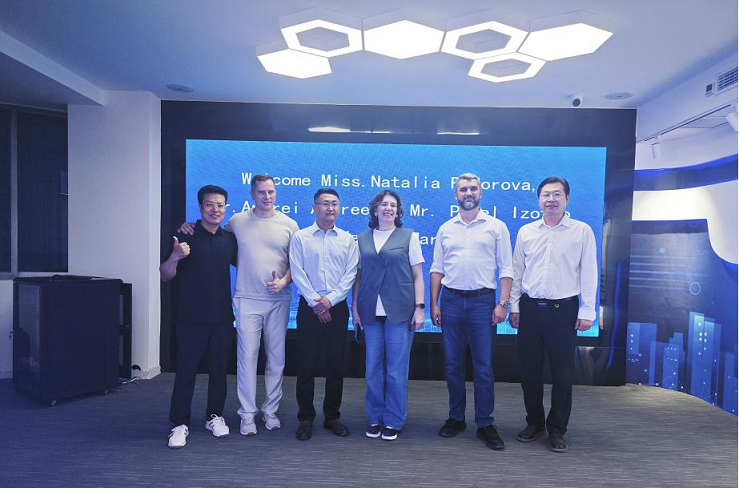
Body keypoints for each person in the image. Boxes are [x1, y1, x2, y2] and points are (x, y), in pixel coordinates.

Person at [179, 174, 298, 436]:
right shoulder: (237, 221)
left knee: (276, 359)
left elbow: (296, 263)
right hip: (246, 299)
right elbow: (212, 234)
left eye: (271, 192)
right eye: (261, 192)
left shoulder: (289, 224)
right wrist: (188, 225)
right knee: (246, 358)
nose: (267, 196)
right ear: (252, 194)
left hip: (278, 301)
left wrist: (284, 281)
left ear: (275, 194)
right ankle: (247, 414)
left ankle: (270, 411)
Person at [509, 176, 598, 453]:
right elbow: (517, 271)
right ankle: (535, 423)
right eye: (546, 195)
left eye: (557, 194)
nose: (551, 199)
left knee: (562, 375)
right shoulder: (526, 231)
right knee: (529, 372)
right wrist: (514, 306)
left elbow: (589, 272)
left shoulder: (582, 231)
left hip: (563, 311)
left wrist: (588, 309)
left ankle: (557, 429)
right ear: (539, 200)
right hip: (530, 310)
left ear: (567, 199)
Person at [429, 173, 514, 451]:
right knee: (453, 365)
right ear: (456, 195)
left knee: (484, 367)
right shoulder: (446, 228)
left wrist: (503, 303)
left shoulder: (496, 226)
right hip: (451, 301)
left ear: (480, 193)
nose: (468, 193)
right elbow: (437, 269)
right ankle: (456, 418)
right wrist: (434, 303)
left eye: (473, 189)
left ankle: (485, 423)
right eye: (463, 189)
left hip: (483, 303)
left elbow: (507, 268)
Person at [160, 185, 237, 449]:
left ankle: (214, 416)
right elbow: (165, 274)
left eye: (220, 205)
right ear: (200, 206)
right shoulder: (184, 235)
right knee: (186, 372)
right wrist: (175, 256)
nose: (215, 210)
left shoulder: (229, 239)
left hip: (222, 317)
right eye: (209, 204)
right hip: (190, 318)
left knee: (219, 372)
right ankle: (179, 423)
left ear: (225, 208)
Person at [352, 190, 425, 442]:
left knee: (395, 370)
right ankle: (375, 417)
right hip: (369, 311)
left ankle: (394, 419)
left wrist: (419, 307)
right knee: (373, 369)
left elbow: (418, 275)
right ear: (375, 209)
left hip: (400, 311)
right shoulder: (361, 239)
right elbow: (359, 277)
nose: (388, 208)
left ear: (398, 211)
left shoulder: (409, 236)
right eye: (384, 204)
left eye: (393, 205)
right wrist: (354, 308)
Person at [289, 189, 359, 440]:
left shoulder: (348, 240)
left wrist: (329, 301)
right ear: (314, 207)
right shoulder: (300, 237)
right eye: (325, 203)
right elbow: (297, 272)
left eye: (335, 204)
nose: (330, 208)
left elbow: (351, 274)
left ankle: (332, 416)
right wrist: (316, 302)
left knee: (335, 365)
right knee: (306, 365)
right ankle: (305, 418)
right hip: (309, 308)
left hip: (337, 308)